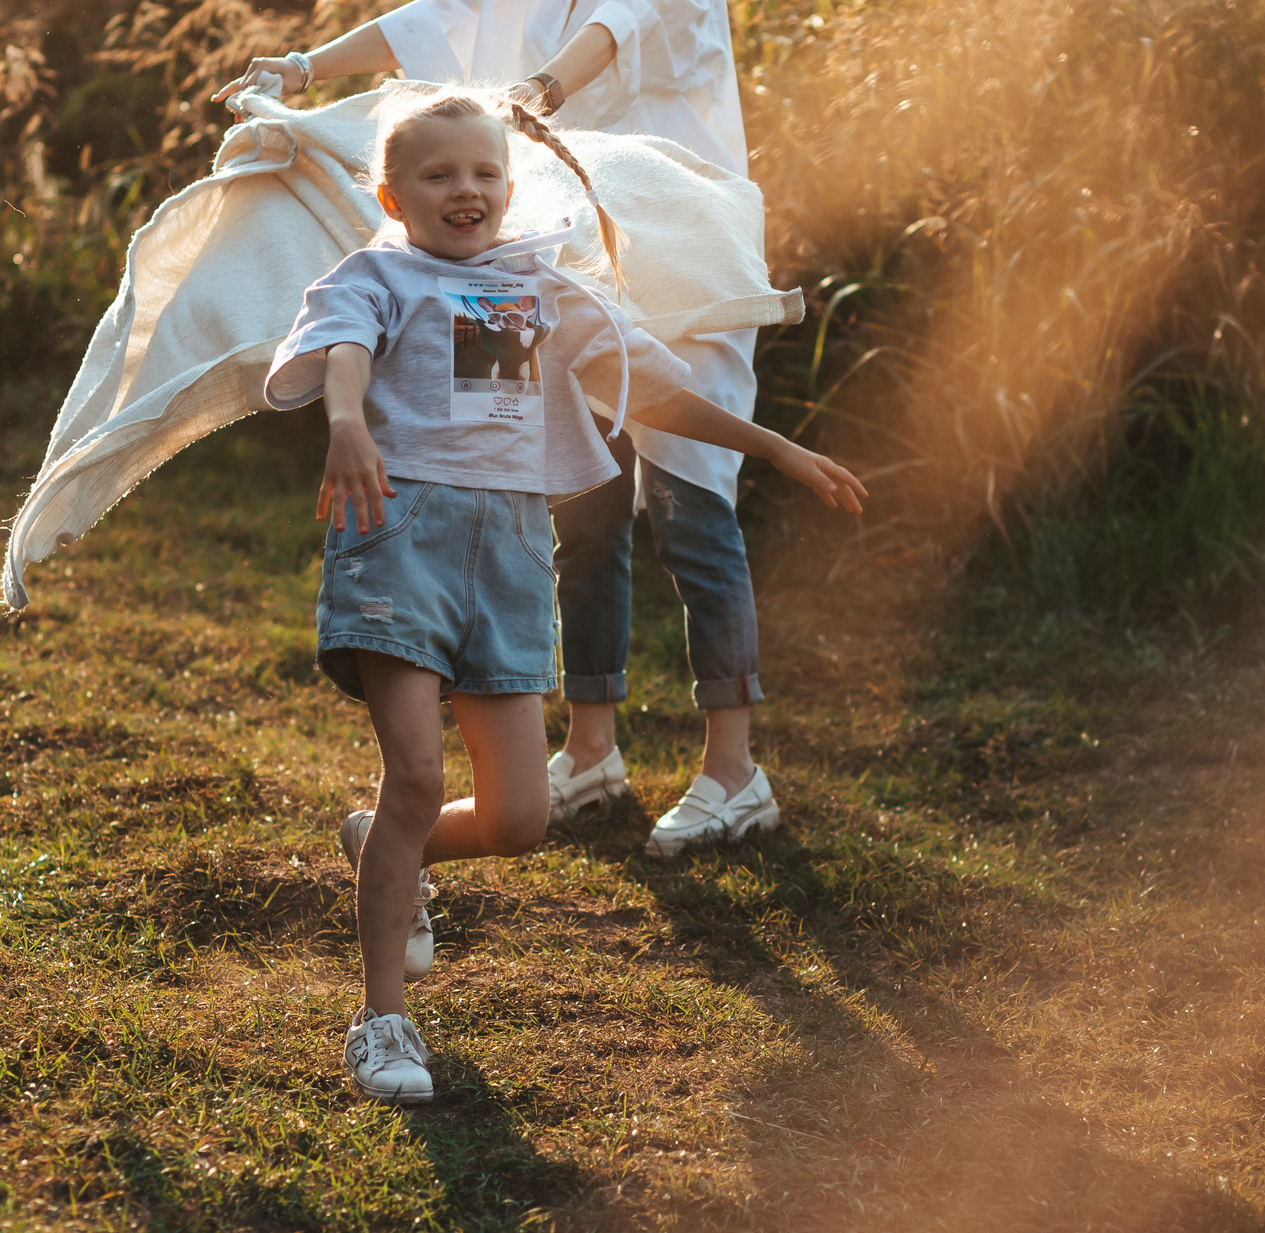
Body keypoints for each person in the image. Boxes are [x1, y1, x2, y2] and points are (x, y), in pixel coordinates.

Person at [219, 0, 777, 857]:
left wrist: (538, 88)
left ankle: (735, 770)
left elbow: (607, 38)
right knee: (575, 499)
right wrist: (302, 69)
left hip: (678, 252)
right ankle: (591, 748)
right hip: (562, 254)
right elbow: (443, 11)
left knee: (689, 503)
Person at [264, 85, 864, 1104]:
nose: (467, 189)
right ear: (392, 192)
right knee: (412, 773)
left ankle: (385, 853)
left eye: (485, 172)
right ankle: (382, 1023)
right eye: (439, 174)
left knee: (518, 819)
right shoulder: (379, 274)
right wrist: (348, 423)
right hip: (396, 538)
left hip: (504, 557)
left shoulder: (533, 293)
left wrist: (777, 446)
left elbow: (656, 384)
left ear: (508, 186)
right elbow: (346, 351)